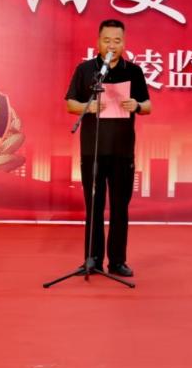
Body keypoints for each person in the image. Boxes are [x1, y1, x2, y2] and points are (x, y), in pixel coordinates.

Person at [64, 18, 151, 278]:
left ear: (124, 43)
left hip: (123, 152)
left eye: (117, 40)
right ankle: (92, 259)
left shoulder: (133, 71)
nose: (112, 45)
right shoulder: (86, 70)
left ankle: (117, 261)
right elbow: (70, 103)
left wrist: (136, 105)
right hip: (92, 151)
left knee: (120, 208)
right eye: (107, 40)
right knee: (94, 206)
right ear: (98, 42)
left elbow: (148, 106)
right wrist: (88, 107)